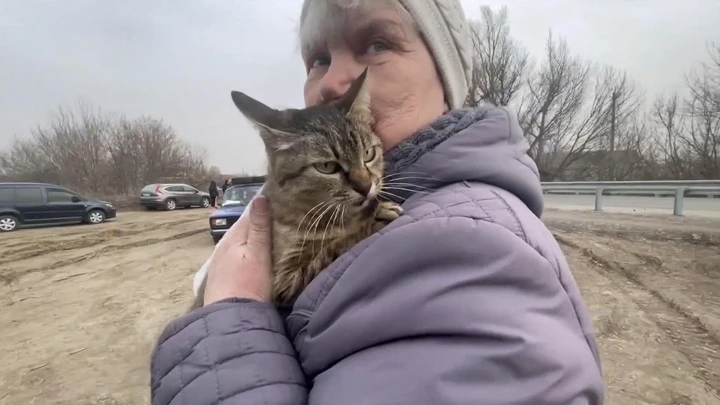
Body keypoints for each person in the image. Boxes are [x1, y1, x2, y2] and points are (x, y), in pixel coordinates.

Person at [150, 0, 604, 404]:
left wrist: (233, 306)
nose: (333, 81)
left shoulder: (475, 250)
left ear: (447, 77)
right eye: (318, 58)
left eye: (375, 44)